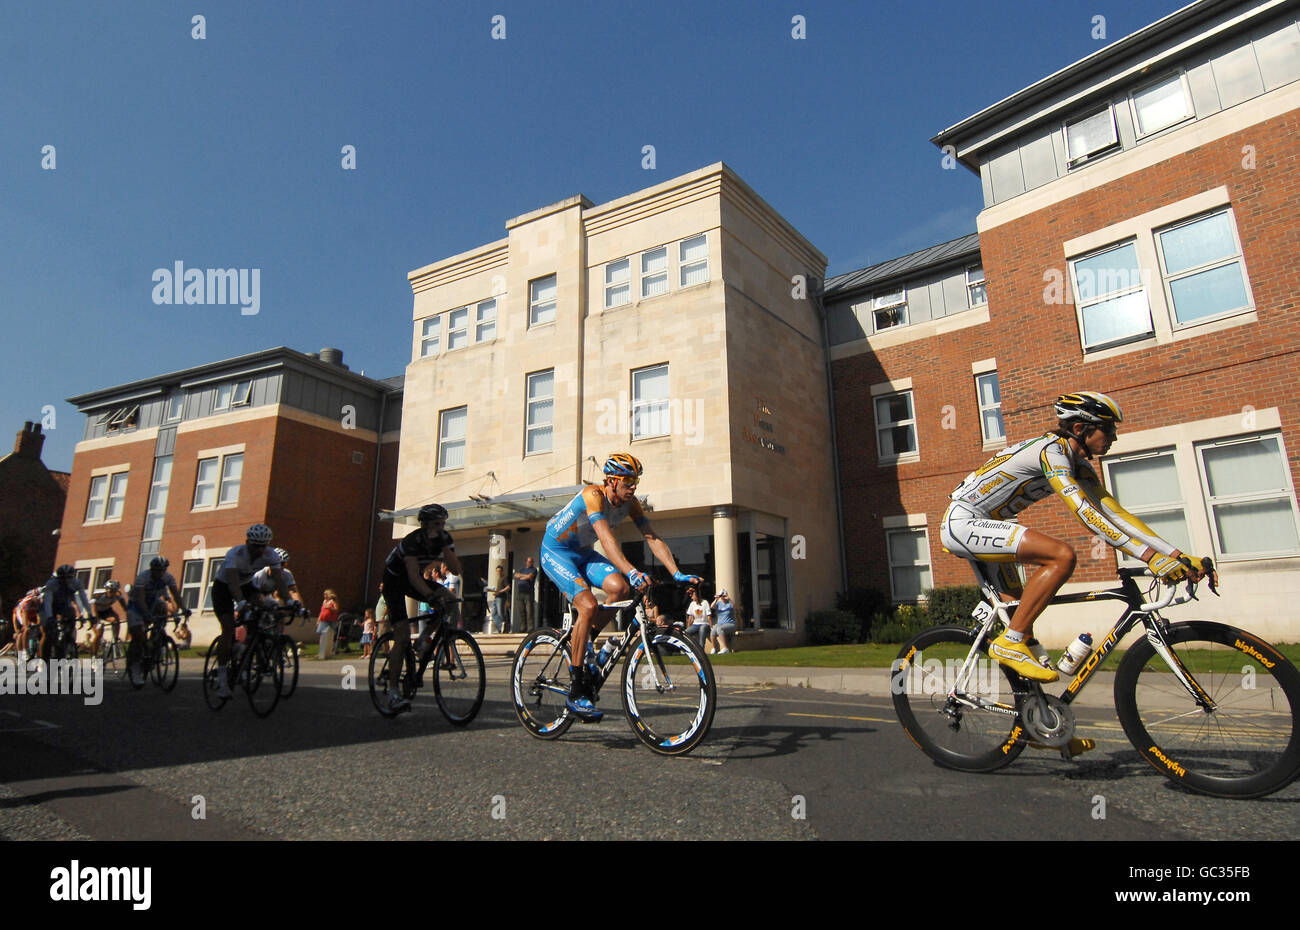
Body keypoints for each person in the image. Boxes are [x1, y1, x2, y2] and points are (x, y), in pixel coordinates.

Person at [941, 391, 1213, 682]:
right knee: (1062, 556)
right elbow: (1085, 512)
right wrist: (1149, 557)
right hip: (965, 522)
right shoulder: (1051, 451)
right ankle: (1009, 644)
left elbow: (1116, 514)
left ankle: (1030, 708)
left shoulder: (1078, 465)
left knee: (1022, 615)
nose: (1114, 438)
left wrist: (1176, 555)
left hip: (989, 524)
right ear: (1081, 429)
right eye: (1109, 430)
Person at [540, 452, 701, 722]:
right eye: (628, 481)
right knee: (588, 604)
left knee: (621, 589)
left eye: (636, 480)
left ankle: (585, 639)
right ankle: (577, 690)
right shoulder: (593, 495)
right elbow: (605, 537)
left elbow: (652, 537)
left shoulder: (631, 504)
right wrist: (633, 570)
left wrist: (677, 572)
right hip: (556, 551)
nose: (634, 486)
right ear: (611, 481)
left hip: (581, 553)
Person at [379, 503, 461, 714]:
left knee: (450, 602)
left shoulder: (445, 538)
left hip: (413, 580)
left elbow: (456, 570)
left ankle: (424, 641)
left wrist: (445, 548)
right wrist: (430, 596)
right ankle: (394, 692)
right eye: (436, 524)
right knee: (402, 635)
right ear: (424, 525)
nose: (440, 528)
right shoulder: (413, 541)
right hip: (395, 582)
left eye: (443, 523)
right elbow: (414, 577)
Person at [210, 524, 296, 698]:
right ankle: (222, 678)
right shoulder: (235, 554)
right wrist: (240, 602)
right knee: (227, 628)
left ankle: (246, 650)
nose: (260, 549)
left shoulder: (270, 555)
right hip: (224, 588)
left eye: (263, 545)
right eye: (256, 545)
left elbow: (279, 580)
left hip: (247, 585)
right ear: (247, 542)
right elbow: (233, 582)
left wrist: (289, 600)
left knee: (264, 607)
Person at [126, 557, 190, 686]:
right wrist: (146, 614)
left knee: (162, 607)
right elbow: (139, 598)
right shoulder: (142, 578)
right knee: (138, 636)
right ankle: (135, 668)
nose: (159, 573)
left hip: (152, 603)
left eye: (162, 570)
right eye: (157, 570)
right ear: (151, 569)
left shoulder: (168, 578)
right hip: (136, 605)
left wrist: (184, 608)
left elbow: (175, 595)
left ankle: (158, 636)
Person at [40, 565, 92, 663]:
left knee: (70, 620)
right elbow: (47, 603)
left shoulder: (74, 584)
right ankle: (44, 661)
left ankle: (66, 644)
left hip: (63, 607)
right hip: (48, 607)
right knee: (48, 634)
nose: (66, 580)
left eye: (69, 577)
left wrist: (85, 614)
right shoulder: (51, 585)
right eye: (62, 578)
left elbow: (78, 600)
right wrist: (51, 618)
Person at [88, 579, 128, 657]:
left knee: (115, 619)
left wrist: (130, 614)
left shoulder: (117, 594)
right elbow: (93, 609)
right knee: (99, 633)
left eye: (114, 591)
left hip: (106, 611)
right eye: (110, 591)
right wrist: (97, 621)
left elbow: (125, 606)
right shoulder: (98, 594)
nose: (112, 594)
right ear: (106, 589)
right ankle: (94, 655)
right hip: (95, 613)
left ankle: (115, 639)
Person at [513, 556, 537, 632]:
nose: (530, 563)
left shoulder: (534, 569)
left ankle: (530, 629)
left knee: (529, 611)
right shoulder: (521, 569)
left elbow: (530, 576)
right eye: (529, 561)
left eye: (531, 561)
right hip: (520, 593)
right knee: (521, 611)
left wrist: (522, 576)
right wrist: (525, 576)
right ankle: (522, 628)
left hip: (528, 593)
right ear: (526, 562)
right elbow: (516, 575)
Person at [710, 589, 737, 654]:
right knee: (713, 630)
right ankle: (714, 648)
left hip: (730, 624)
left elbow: (734, 607)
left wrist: (729, 599)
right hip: (720, 623)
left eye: (723, 596)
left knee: (720, 629)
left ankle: (725, 648)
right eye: (721, 596)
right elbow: (711, 606)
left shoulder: (729, 603)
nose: (722, 598)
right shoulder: (718, 603)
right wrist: (716, 599)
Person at [317, 589, 340, 659]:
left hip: (331, 621)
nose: (324, 596)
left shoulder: (332, 602)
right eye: (324, 594)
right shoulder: (324, 602)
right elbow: (322, 611)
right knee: (322, 635)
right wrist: (319, 619)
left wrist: (330, 608)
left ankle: (329, 651)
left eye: (326, 594)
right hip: (323, 620)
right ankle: (321, 651)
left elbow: (336, 610)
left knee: (330, 635)